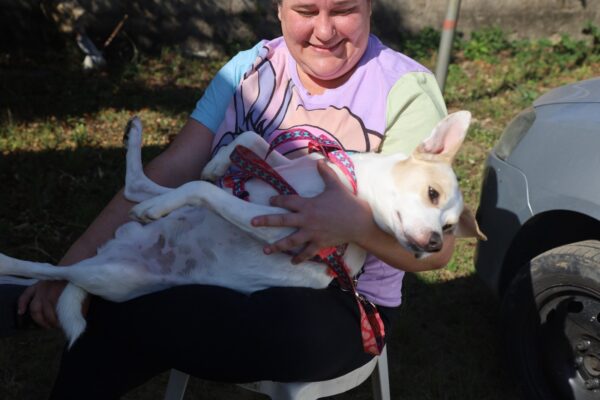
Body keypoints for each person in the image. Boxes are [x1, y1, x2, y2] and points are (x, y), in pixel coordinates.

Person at [18, 0, 455, 398]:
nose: (324, 31)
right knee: (136, 316)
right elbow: (173, 168)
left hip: (337, 300)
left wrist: (353, 224)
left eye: (343, 10)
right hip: (220, 261)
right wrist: (77, 256)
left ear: (370, 7)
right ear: (279, 8)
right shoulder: (248, 70)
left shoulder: (403, 90)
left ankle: (73, 298)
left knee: (154, 314)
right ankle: (81, 289)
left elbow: (439, 251)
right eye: (306, 11)